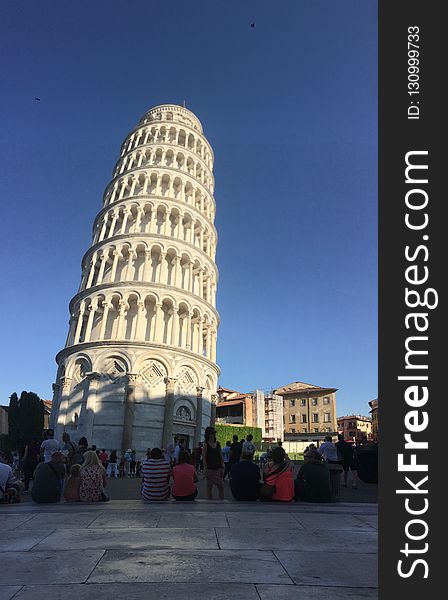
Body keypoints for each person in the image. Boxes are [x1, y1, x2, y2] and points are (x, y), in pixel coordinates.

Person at [203, 426, 224, 500]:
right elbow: (204, 458)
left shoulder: (218, 444)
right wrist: (205, 469)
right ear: (209, 434)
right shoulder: (206, 444)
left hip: (217, 468)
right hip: (210, 468)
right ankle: (209, 502)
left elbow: (220, 456)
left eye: (214, 433)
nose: (214, 434)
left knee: (221, 486)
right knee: (209, 487)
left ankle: (222, 501)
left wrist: (222, 466)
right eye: (213, 433)